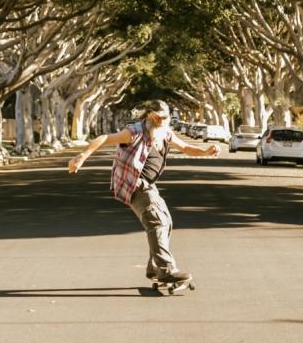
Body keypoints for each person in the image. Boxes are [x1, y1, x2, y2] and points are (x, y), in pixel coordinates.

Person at [68, 99, 219, 284]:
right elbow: (105, 138)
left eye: (165, 117)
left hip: (148, 185)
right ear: (150, 115)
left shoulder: (166, 133)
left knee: (167, 222)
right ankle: (165, 269)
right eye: (158, 117)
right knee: (156, 222)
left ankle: (154, 267)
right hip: (133, 183)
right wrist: (81, 156)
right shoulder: (134, 132)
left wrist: (206, 151)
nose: (161, 120)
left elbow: (186, 148)